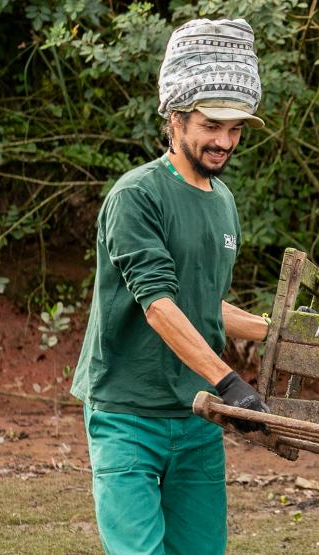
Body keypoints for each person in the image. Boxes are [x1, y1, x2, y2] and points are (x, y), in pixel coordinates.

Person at [70, 18, 272, 555]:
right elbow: (158, 305)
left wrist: (271, 332)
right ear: (175, 119)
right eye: (212, 126)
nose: (225, 141)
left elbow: (203, 300)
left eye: (236, 130)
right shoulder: (136, 195)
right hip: (126, 413)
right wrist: (232, 382)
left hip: (196, 414)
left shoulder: (221, 198)